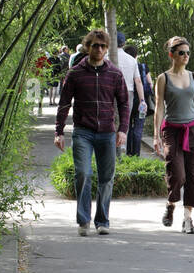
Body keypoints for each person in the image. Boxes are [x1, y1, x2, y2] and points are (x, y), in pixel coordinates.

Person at [54, 30, 129, 236]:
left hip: (107, 132)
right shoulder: (76, 73)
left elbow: (123, 103)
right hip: (83, 132)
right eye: (95, 45)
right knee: (83, 173)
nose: (99, 49)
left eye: (103, 46)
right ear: (88, 46)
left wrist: (123, 130)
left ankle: (103, 220)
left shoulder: (114, 74)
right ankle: (84, 220)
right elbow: (64, 104)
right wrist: (59, 131)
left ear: (107, 48)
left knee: (107, 177)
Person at [152, 36, 194, 233]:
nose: (186, 56)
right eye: (181, 53)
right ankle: (171, 204)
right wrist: (156, 136)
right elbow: (159, 109)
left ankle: (188, 219)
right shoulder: (163, 78)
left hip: (193, 130)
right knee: (177, 174)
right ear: (172, 55)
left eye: (188, 53)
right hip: (172, 130)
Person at [111, 31, 145, 156]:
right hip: (128, 93)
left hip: (110, 93)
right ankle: (122, 149)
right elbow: (138, 81)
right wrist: (142, 100)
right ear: (123, 43)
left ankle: (112, 151)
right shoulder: (132, 60)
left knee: (111, 122)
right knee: (124, 121)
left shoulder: (106, 57)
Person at [124, 44, 154, 156]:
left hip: (128, 100)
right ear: (136, 55)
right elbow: (150, 83)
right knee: (138, 127)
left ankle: (129, 154)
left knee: (129, 127)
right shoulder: (143, 67)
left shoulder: (124, 66)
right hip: (142, 103)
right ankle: (136, 154)